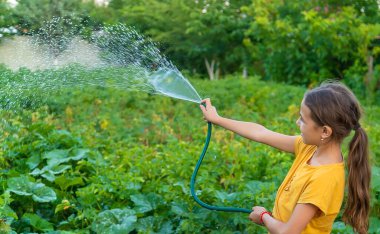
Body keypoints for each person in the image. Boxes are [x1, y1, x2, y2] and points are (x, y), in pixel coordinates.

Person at [199, 81, 370, 234]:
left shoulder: (324, 179)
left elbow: (288, 232)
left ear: (325, 131)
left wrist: (264, 216)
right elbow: (261, 133)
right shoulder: (310, 148)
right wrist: (217, 119)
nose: (297, 123)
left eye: (303, 120)